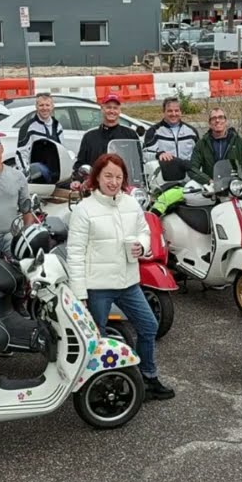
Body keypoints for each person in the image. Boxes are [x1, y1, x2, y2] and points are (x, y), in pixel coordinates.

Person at [67, 153, 174, 401]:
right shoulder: (84, 210)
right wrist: (80, 294)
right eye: (108, 176)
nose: (113, 181)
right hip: (97, 287)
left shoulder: (130, 203)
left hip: (128, 283)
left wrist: (141, 245)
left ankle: (147, 378)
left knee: (148, 326)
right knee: (97, 339)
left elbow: (144, 231)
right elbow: (75, 254)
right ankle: (100, 386)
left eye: (118, 176)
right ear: (97, 177)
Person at [74, 94, 140, 174]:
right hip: (96, 183)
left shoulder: (130, 135)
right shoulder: (89, 136)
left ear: (120, 111)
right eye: (108, 107)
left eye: (115, 108)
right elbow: (80, 164)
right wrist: (77, 180)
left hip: (123, 182)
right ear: (102, 109)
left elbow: (138, 163)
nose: (112, 111)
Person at [191, 106, 242, 182]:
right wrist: (207, 180)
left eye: (220, 117)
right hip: (211, 188)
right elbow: (193, 168)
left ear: (226, 121)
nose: (217, 120)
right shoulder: (201, 144)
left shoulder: (238, 142)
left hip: (234, 187)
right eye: (214, 118)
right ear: (209, 123)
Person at [16, 93, 64, 183]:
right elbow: (21, 153)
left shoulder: (57, 125)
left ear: (52, 106)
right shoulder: (28, 127)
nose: (44, 108)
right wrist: (25, 173)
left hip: (56, 176)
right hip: (37, 175)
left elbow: (62, 150)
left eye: (47, 105)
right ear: (36, 107)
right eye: (41, 105)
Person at [143, 97, 199, 163]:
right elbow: (145, 155)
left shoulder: (191, 132)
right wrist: (159, 154)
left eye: (176, 111)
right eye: (170, 111)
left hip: (188, 172)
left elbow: (199, 155)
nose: (173, 114)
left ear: (181, 112)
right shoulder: (154, 131)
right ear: (164, 112)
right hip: (163, 172)